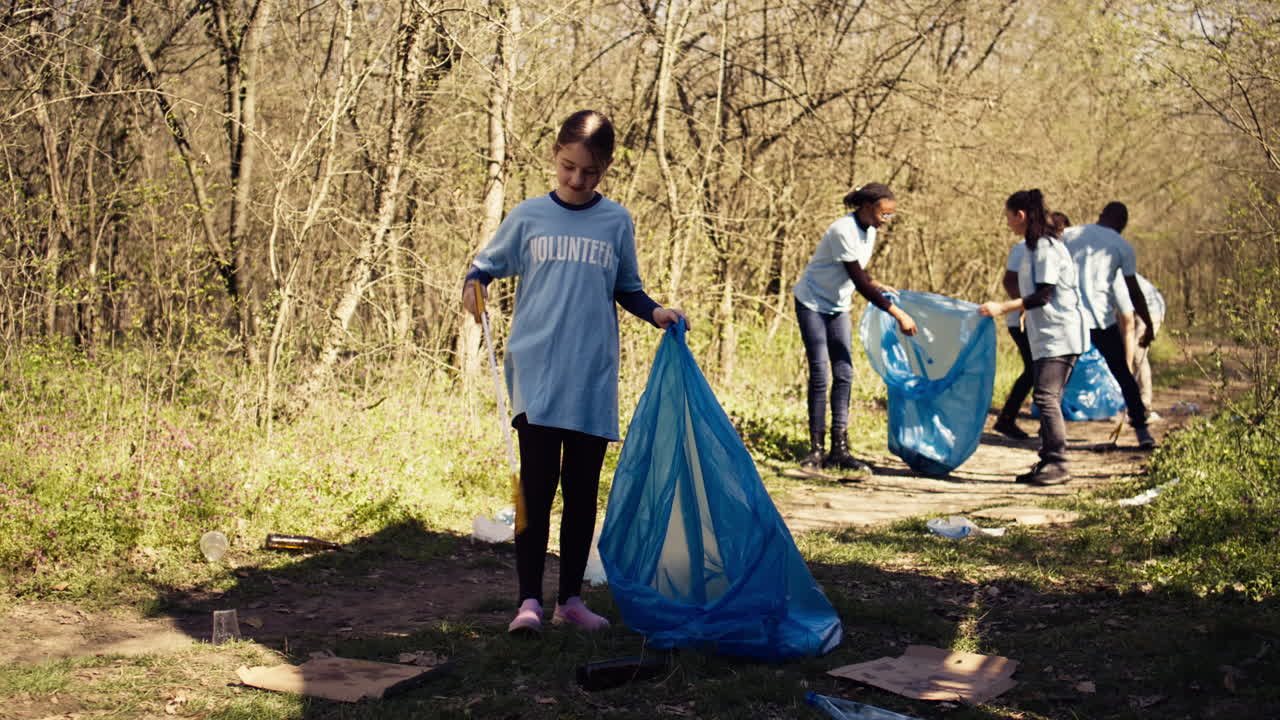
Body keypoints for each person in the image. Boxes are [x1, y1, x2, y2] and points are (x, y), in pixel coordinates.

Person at [462, 110, 688, 635]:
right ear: (555, 157)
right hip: (537, 372)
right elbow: (485, 265)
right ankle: (528, 603)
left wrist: (656, 312)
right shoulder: (528, 217)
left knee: (582, 492)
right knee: (536, 491)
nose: (576, 180)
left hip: (591, 375)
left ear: (605, 167)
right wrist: (474, 284)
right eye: (568, 167)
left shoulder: (616, 222)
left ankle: (570, 600)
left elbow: (627, 287)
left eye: (589, 172)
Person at [792, 183, 917, 473]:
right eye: (884, 213)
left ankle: (840, 450)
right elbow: (858, 281)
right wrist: (898, 313)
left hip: (838, 306)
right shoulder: (842, 230)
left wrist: (877, 284)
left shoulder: (870, 231)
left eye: (890, 215)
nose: (886, 220)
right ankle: (815, 452)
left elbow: (860, 273)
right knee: (821, 373)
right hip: (812, 302)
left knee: (845, 372)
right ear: (867, 206)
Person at [979, 190, 1088, 485]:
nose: (1008, 223)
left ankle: (1058, 462)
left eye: (1009, 217)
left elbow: (1043, 295)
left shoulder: (1045, 247)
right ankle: (1047, 460)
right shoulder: (1030, 248)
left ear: (1021, 215)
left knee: (1046, 397)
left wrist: (1003, 307)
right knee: (1047, 396)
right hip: (1047, 334)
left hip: (1062, 333)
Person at [1061, 202, 1157, 448]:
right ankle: (1142, 432)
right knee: (1123, 376)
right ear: (1123, 224)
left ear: (1101, 215)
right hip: (1101, 320)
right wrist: (1148, 324)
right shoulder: (1122, 246)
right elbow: (1133, 290)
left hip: (1069, 318)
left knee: (1057, 376)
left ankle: (1049, 431)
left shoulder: (1070, 235)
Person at [993, 209, 1075, 441]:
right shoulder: (1025, 248)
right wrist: (1021, 308)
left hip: (1043, 322)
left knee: (1039, 373)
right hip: (1022, 321)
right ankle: (1009, 419)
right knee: (1035, 371)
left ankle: (1035, 424)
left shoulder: (1055, 251)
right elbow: (1010, 280)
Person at [1110, 271, 1166, 421]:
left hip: (1151, 310)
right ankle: (1127, 404)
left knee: (1137, 354)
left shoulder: (1116, 282)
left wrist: (1127, 365)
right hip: (1131, 309)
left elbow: (1128, 328)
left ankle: (1144, 406)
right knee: (1124, 353)